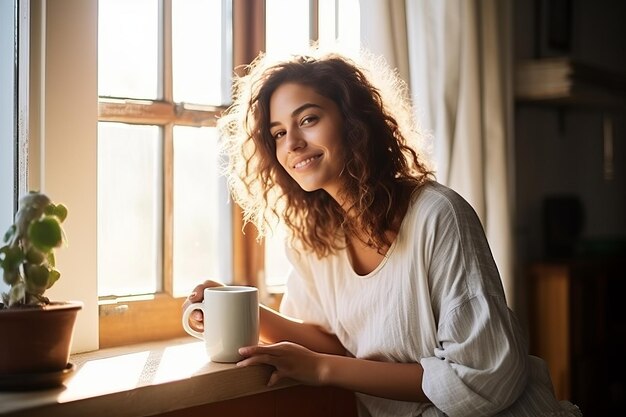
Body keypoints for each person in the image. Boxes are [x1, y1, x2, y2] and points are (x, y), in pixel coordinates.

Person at [184, 50, 582, 417]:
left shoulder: (437, 215)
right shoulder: (314, 239)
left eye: (307, 119)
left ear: (354, 120)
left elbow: (484, 375)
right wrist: (240, 309)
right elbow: (335, 343)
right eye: (278, 133)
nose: (293, 143)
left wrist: (322, 370)